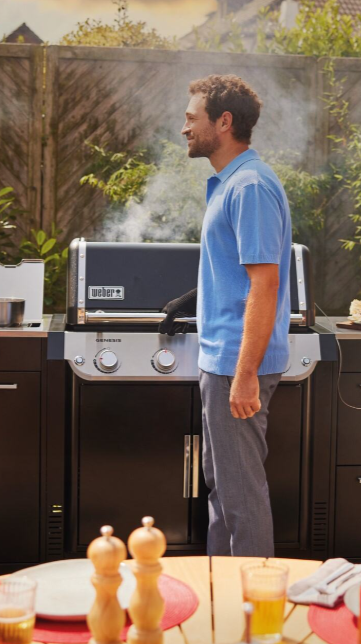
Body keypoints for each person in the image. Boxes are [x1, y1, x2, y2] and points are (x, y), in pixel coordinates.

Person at [160, 74, 292, 557]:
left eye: (192, 118)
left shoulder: (250, 186)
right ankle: (221, 590)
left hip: (238, 363)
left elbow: (265, 283)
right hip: (221, 359)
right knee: (221, 487)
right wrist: (193, 301)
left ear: (225, 121)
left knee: (239, 495)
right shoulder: (231, 182)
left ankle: (255, 611)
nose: (184, 128)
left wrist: (245, 374)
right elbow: (239, 272)